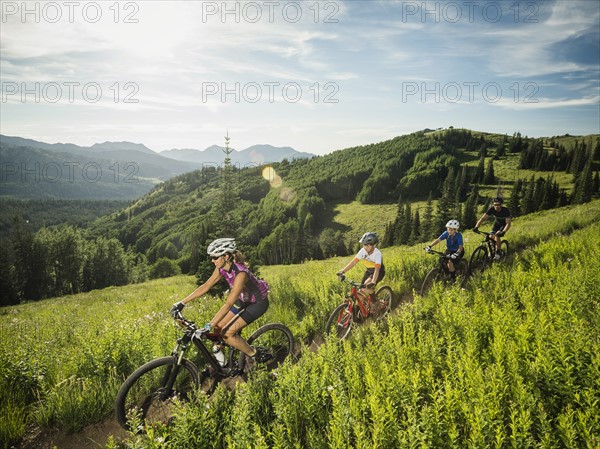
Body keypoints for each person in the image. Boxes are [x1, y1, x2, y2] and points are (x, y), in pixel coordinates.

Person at [170, 238, 271, 363]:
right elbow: (206, 286)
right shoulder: (221, 268)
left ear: (226, 256)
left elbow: (228, 304)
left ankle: (255, 354)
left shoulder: (241, 274)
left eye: (215, 257)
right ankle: (223, 359)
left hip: (257, 303)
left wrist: (207, 326)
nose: (212, 260)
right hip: (242, 300)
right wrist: (181, 303)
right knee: (218, 327)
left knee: (227, 334)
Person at [336, 232, 385, 297]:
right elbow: (353, 262)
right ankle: (359, 307)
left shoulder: (377, 254)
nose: (365, 247)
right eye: (364, 245)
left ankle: (374, 302)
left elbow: (377, 269)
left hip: (378, 272)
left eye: (368, 246)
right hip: (369, 271)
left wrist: (373, 281)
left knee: (367, 285)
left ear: (374, 245)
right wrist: (343, 271)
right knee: (360, 292)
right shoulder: (363, 251)